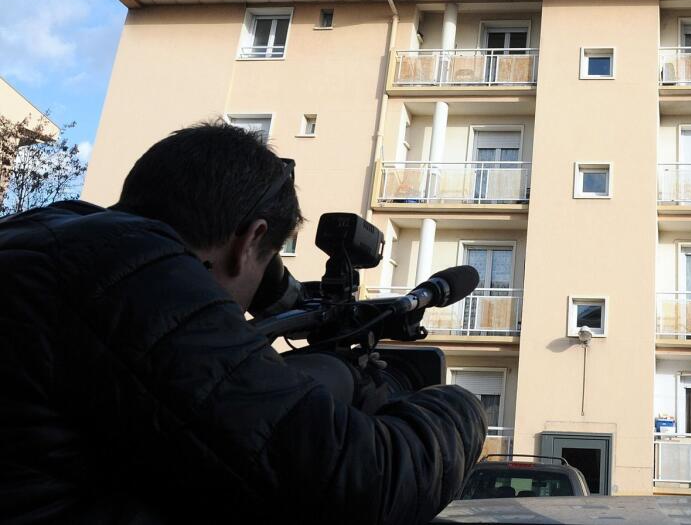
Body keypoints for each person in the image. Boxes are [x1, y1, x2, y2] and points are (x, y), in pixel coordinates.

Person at [0, 122, 486, 523]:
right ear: (251, 239)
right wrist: (460, 405)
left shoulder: (49, 234)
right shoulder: (138, 275)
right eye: (268, 258)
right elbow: (368, 483)